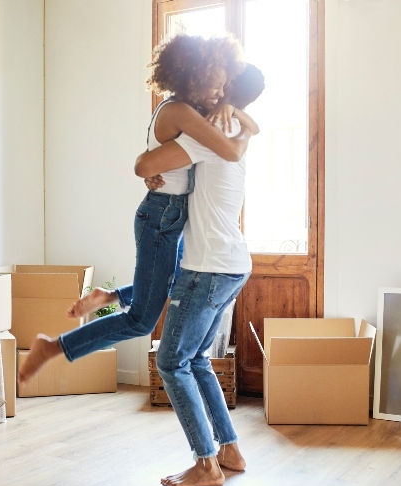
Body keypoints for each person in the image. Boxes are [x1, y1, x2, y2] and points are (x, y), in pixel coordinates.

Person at [18, 34, 253, 384]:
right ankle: (51, 348)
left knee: (178, 285)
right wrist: (246, 127)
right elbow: (222, 152)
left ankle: (109, 296)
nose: (220, 94)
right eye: (216, 86)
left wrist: (231, 107)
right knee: (142, 320)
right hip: (160, 216)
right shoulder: (180, 111)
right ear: (197, 77)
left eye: (225, 87)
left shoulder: (186, 110)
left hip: (171, 214)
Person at [134, 64, 266, 486]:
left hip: (208, 266)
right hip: (232, 263)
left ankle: (206, 464)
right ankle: (229, 448)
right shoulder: (229, 131)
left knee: (171, 361)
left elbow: (146, 164)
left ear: (223, 88)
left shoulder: (207, 136)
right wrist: (248, 125)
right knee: (196, 359)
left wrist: (147, 166)